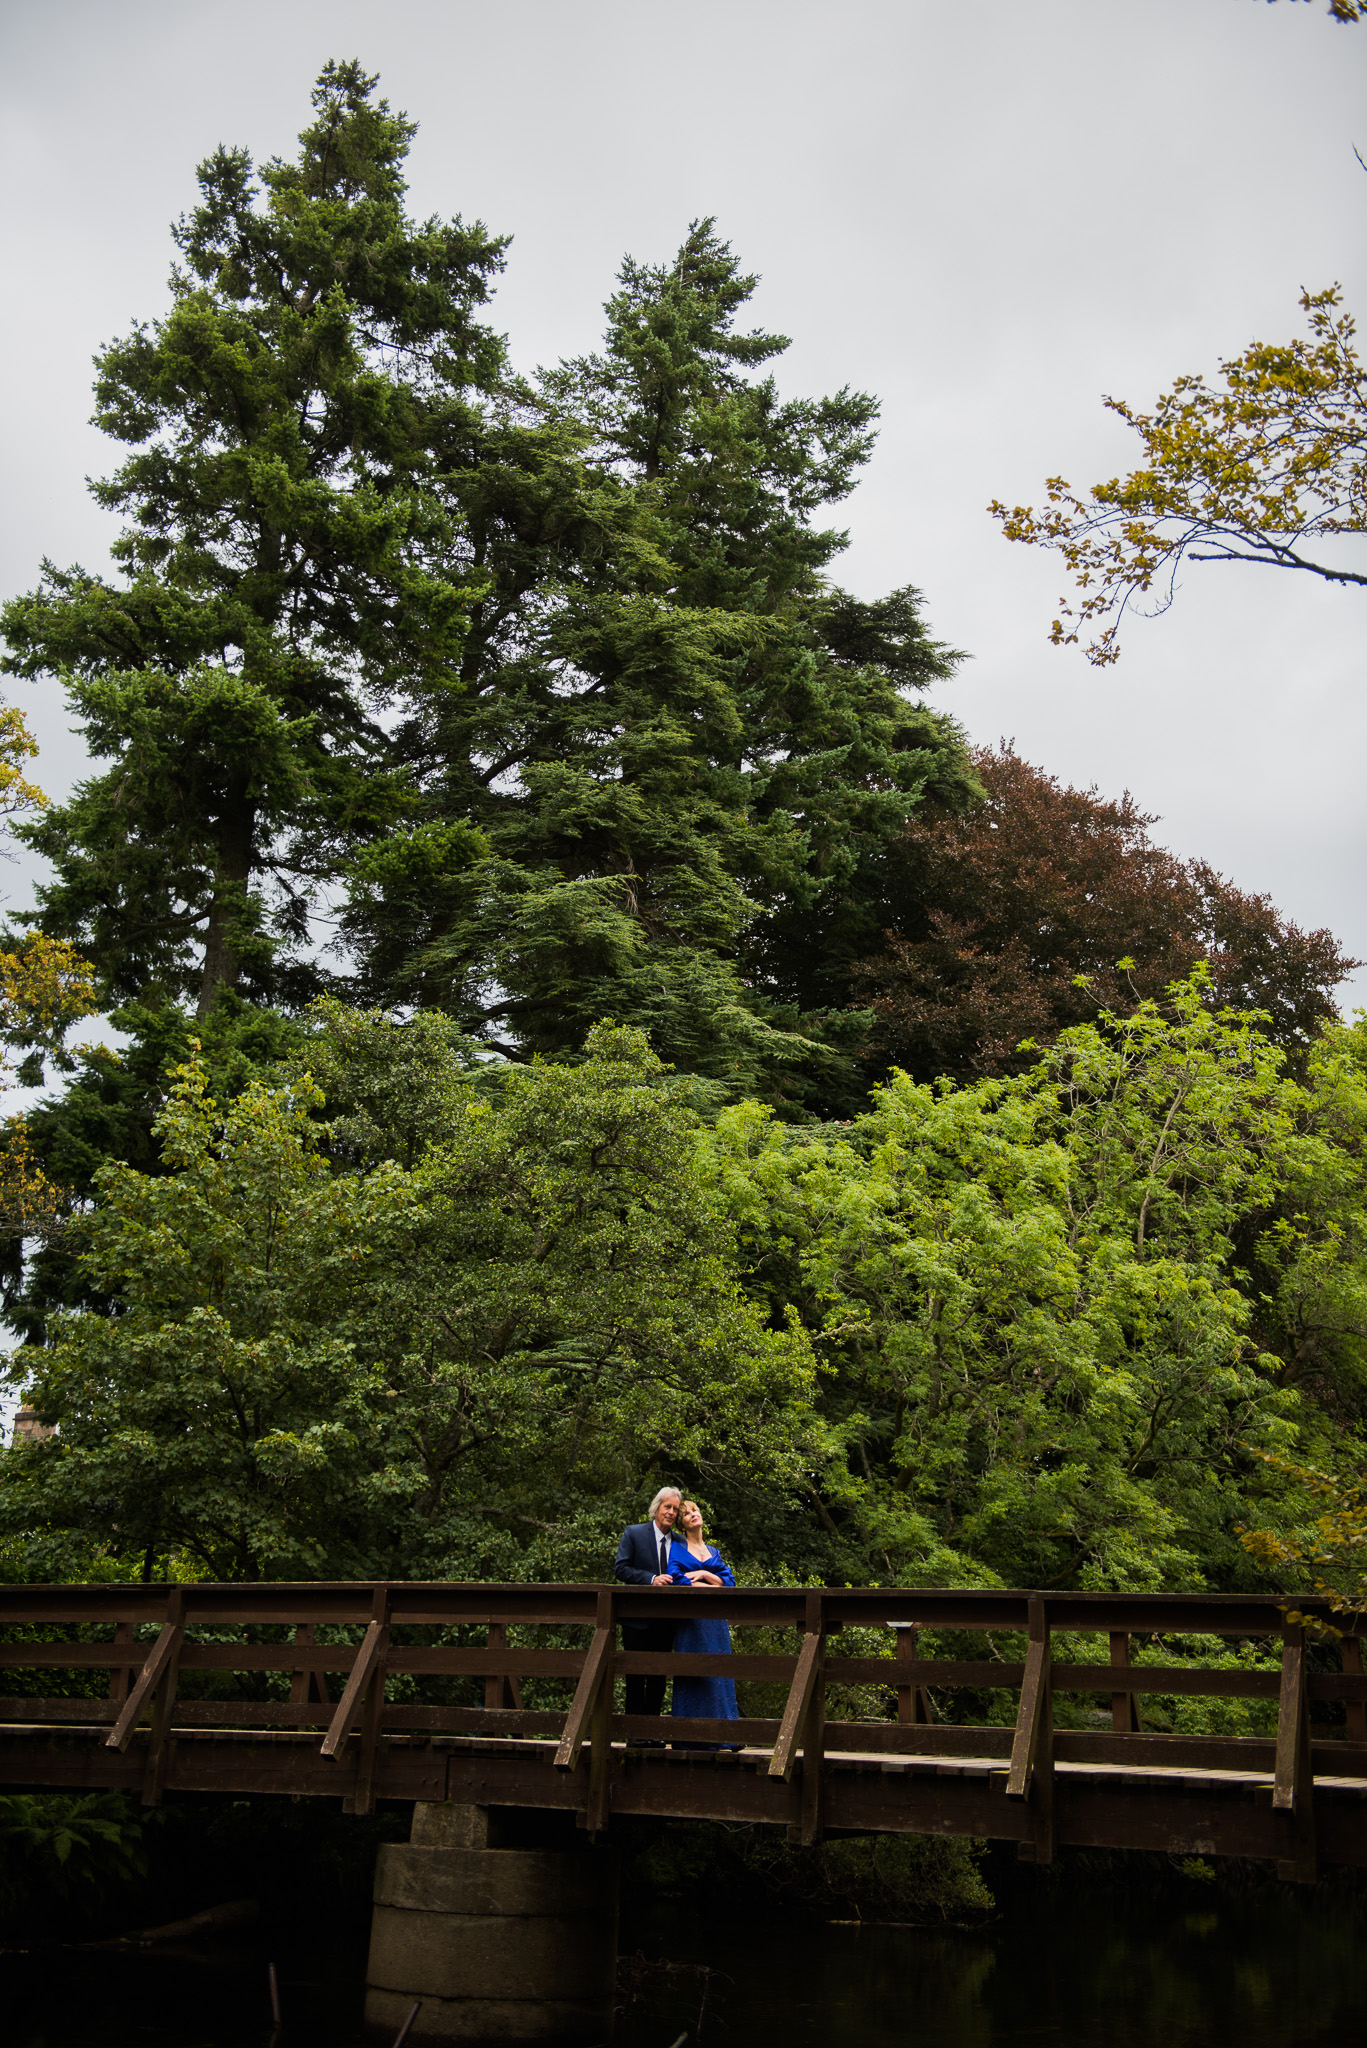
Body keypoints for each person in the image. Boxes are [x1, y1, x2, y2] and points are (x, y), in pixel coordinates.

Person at [667, 1500, 740, 1749]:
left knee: (720, 1671)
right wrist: (708, 1584)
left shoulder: (714, 1551)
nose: (692, 1515)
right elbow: (676, 1579)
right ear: (683, 1525)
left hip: (717, 1621)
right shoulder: (678, 1548)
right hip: (693, 1620)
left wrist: (705, 1575)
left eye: (695, 1510)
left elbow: (729, 1583)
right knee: (697, 1672)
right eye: (686, 1514)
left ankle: (725, 1735)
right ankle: (692, 1738)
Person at [613, 1487, 681, 1728]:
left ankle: (651, 1731)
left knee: (658, 1678)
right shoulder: (634, 1533)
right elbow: (621, 1568)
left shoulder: (680, 1541)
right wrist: (651, 1579)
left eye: (675, 1508)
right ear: (657, 1508)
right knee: (635, 1676)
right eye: (667, 1507)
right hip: (637, 1620)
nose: (671, 1512)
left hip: (666, 1621)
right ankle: (634, 1733)